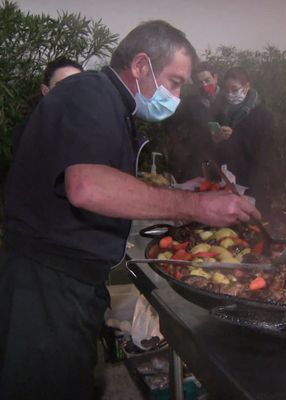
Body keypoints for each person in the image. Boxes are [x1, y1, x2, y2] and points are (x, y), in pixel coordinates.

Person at [0, 20, 258, 400]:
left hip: (61, 284)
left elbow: (105, 183)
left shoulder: (108, 102)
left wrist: (179, 192)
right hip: (46, 290)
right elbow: (87, 186)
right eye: (174, 81)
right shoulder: (90, 93)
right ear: (140, 66)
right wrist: (195, 205)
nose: (177, 94)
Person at [211, 66, 273, 210]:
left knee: (251, 223)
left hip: (252, 181)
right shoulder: (220, 112)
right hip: (225, 179)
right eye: (226, 90)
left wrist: (235, 136)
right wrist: (215, 140)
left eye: (234, 89)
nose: (230, 94)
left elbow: (264, 152)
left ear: (246, 87)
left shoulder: (263, 115)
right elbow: (212, 151)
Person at [163, 60, 219, 182]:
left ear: (215, 78)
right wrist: (177, 144)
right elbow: (170, 123)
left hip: (226, 161)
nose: (204, 85)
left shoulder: (228, 100)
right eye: (200, 82)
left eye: (207, 80)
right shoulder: (190, 103)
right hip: (198, 161)